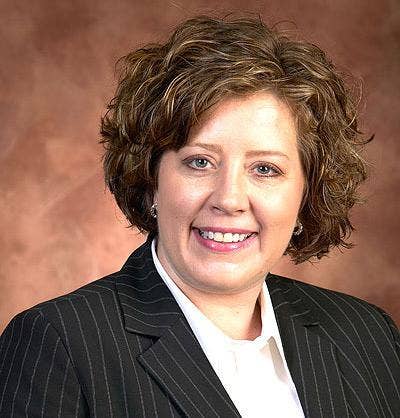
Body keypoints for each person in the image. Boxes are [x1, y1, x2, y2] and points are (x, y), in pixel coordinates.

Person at [0, 15, 399, 418]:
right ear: (151, 179)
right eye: (200, 162)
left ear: (306, 193)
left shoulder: (367, 335)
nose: (229, 199)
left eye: (265, 169)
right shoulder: (60, 345)